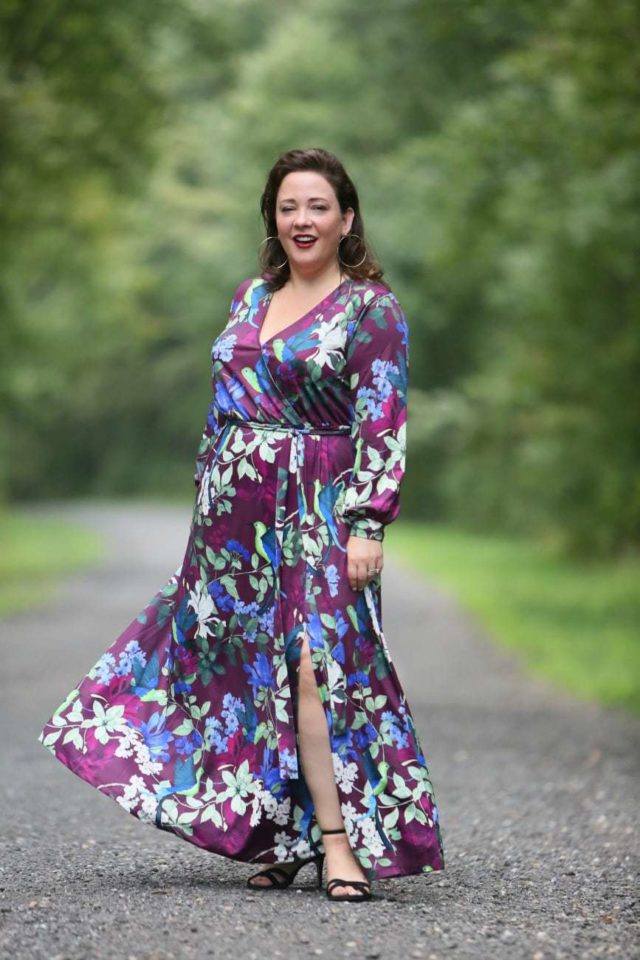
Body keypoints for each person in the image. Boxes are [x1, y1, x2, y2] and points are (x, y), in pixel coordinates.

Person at [38, 147, 445, 902]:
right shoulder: (250, 296)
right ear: (273, 218)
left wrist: (369, 521)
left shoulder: (370, 308)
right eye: (289, 207)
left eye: (318, 206)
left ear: (346, 219)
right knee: (251, 673)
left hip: (321, 506)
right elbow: (223, 408)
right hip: (235, 522)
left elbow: (383, 418)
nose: (302, 220)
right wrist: (207, 499)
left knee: (316, 666)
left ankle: (338, 844)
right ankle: (283, 837)